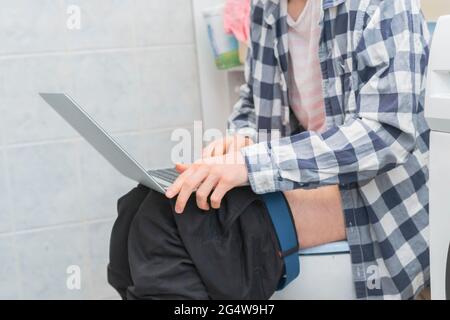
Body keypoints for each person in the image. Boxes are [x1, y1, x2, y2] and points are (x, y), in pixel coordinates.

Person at [108, 0, 431, 300]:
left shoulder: (382, 4)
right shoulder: (267, 6)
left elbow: (388, 133)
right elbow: (253, 102)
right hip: (298, 173)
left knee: (173, 221)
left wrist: (249, 164)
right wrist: (242, 140)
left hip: (374, 189)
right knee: (141, 207)